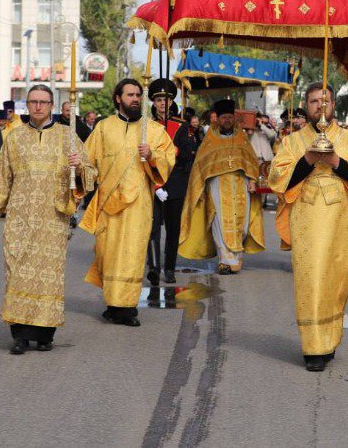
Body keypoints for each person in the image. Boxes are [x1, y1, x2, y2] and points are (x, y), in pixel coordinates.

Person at [0, 85, 96, 354]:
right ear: (28, 105)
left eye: (43, 102)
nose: (38, 106)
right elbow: (1, 177)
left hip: (52, 219)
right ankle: (19, 335)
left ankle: (45, 335)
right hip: (20, 218)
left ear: (52, 105)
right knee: (17, 273)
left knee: (48, 277)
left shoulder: (68, 136)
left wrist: (79, 167)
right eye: (33, 101)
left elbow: (89, 176)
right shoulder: (15, 137)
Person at [268, 82, 348, 372]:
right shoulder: (293, 141)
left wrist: (335, 160)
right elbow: (277, 177)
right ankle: (313, 348)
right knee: (311, 278)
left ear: (333, 104)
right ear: (306, 106)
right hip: (307, 217)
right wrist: (308, 159)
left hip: (341, 218)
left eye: (325, 100)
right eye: (314, 101)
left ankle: (328, 340)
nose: (320, 106)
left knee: (337, 279)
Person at [80, 78, 175, 327]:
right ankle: (113, 304)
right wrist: (77, 167)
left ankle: (127, 308)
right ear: (118, 98)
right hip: (108, 201)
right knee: (107, 253)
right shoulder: (103, 128)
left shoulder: (152, 129)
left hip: (138, 204)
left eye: (138, 95)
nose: (135, 99)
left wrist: (152, 155)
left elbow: (168, 159)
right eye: (130, 95)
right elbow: (87, 162)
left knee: (132, 254)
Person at [179, 98, 264, 275]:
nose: (227, 120)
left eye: (229, 117)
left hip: (241, 185)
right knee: (220, 222)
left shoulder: (242, 138)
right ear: (217, 119)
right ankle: (225, 262)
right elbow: (200, 165)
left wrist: (252, 180)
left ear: (234, 118)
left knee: (242, 224)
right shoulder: (210, 139)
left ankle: (236, 258)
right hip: (217, 185)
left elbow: (251, 161)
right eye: (224, 117)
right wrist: (201, 187)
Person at [146, 78, 194, 286]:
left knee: (173, 230)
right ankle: (154, 267)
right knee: (152, 228)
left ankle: (170, 268)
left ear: (171, 102)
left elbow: (188, 154)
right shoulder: (146, 125)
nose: (162, 103)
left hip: (174, 184)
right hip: (153, 182)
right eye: (158, 100)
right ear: (153, 102)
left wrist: (175, 151)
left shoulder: (181, 125)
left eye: (166, 99)